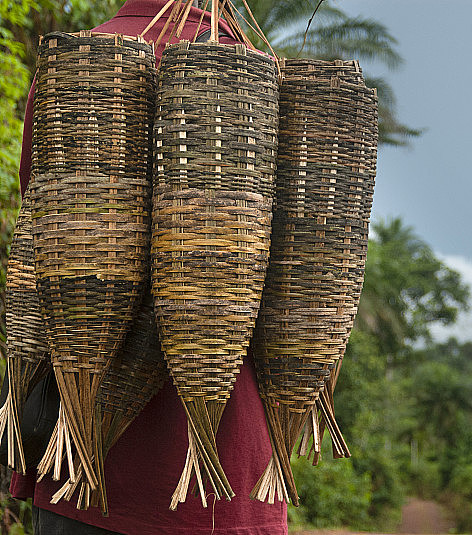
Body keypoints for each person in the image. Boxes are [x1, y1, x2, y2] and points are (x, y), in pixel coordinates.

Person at [10, 1, 288, 533]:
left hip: (79, 466)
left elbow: (45, 233)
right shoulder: (263, 77)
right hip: (224, 477)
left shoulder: (75, 65)